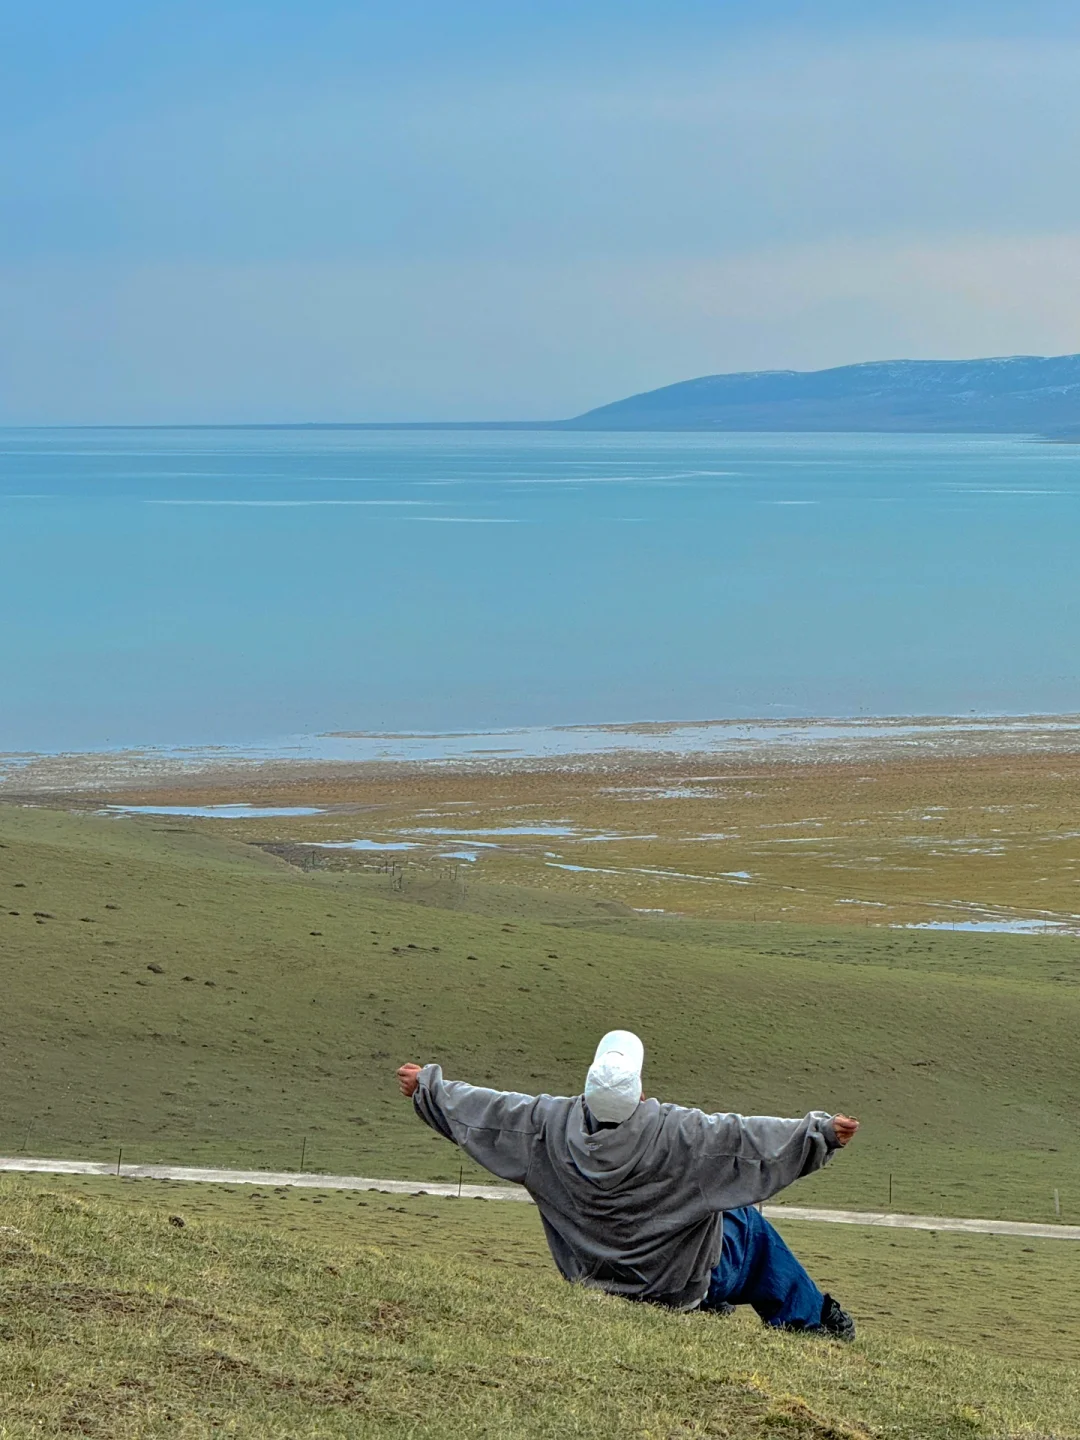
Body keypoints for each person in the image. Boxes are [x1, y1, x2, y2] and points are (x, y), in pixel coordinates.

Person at [397, 1029, 859, 1338]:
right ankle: (812, 1324)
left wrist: (427, 1088)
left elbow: (487, 1112)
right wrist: (820, 1133)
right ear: (639, 1090)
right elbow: (749, 1141)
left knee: (726, 1212)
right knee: (750, 1229)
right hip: (674, 1284)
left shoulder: (546, 1127)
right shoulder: (682, 1135)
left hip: (592, 1274)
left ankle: (733, 1310)